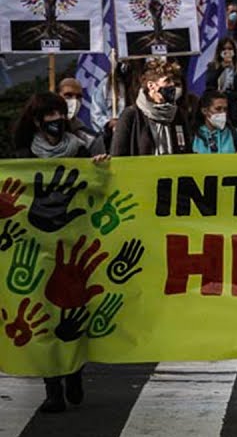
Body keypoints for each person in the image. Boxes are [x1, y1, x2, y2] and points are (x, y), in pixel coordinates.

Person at [11, 91, 110, 412]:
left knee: (71, 315)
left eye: (59, 114)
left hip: (72, 246)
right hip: (35, 248)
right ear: (37, 121)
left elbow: (99, 188)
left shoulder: (81, 149)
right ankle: (52, 389)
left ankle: (73, 373)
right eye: (49, 115)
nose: (56, 120)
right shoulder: (23, 156)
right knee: (42, 320)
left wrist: (99, 168)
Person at [111, 58, 194, 156]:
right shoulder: (131, 116)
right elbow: (118, 154)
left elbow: (187, 152)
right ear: (151, 85)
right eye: (167, 81)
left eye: (174, 82)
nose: (172, 85)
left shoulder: (178, 115)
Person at [205, 36, 237, 143]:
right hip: (218, 114)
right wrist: (220, 69)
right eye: (224, 49)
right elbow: (209, 88)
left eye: (230, 49)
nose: (227, 52)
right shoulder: (213, 67)